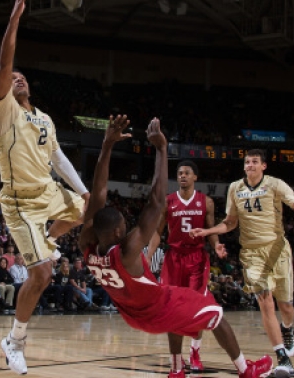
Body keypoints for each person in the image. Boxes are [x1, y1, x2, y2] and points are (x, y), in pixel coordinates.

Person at [78, 115, 271, 378]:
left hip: (131, 314)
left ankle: (177, 370)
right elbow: (156, 203)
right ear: (118, 231)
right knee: (215, 313)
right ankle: (245, 370)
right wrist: (161, 148)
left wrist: (107, 146)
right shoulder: (127, 250)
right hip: (157, 307)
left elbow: (98, 194)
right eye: (124, 225)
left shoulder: (87, 245)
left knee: (186, 308)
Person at [0, 0, 90, 375]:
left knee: (92, 211)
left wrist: (83, 193)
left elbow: (60, 158)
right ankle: (14, 341)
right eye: (12, 77)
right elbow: (3, 63)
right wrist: (15, 18)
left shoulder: (44, 117)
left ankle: (49, 238)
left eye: (22, 77)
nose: (17, 78)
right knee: (43, 273)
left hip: (48, 192)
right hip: (20, 203)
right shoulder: (5, 113)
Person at [191, 149, 294, 378]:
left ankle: (287, 330)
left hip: (277, 249)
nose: (249, 165)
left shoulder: (275, 184)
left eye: (254, 162)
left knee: (287, 307)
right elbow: (230, 223)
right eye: (246, 162)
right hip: (251, 254)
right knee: (265, 300)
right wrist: (208, 231)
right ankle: (282, 357)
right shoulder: (234, 188)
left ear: (263, 166)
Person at [146, 160, 227, 372]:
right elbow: (157, 232)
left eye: (186, 173)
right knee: (172, 309)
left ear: (195, 177)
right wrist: (148, 254)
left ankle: (195, 351)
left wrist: (217, 245)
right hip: (173, 259)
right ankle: (177, 357)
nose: (182, 176)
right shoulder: (167, 202)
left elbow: (211, 230)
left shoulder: (206, 202)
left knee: (196, 307)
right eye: (180, 173)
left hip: (196, 258)